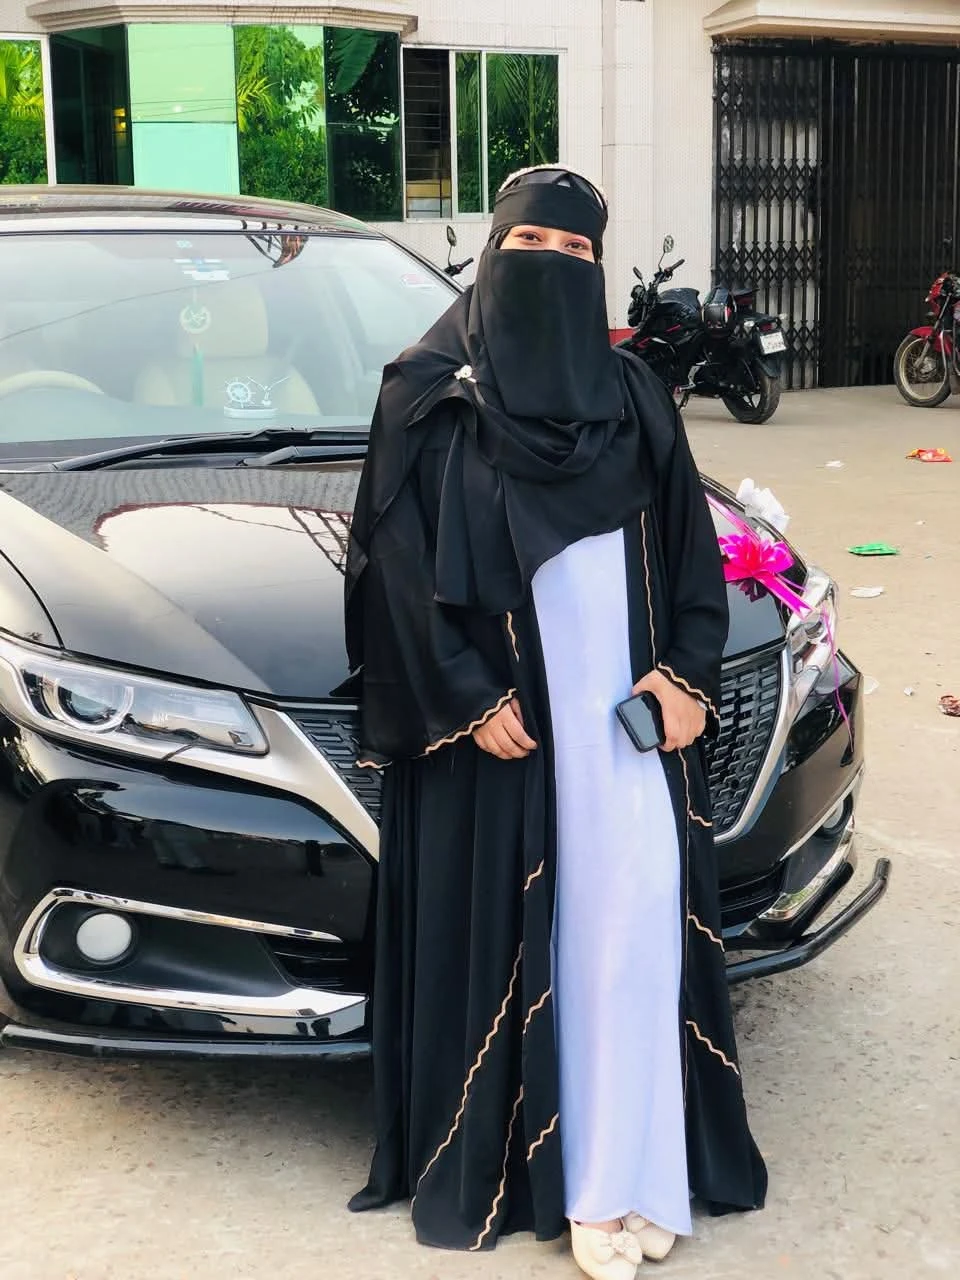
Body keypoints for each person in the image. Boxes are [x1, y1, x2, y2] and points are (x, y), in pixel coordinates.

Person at [344, 166, 767, 1278]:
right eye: (531, 241)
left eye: (577, 251)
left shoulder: (633, 396)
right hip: (509, 741)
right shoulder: (429, 394)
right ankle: (584, 1191)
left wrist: (687, 675)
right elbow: (393, 569)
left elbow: (689, 549)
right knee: (550, 941)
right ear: (492, 252)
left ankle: (643, 1172)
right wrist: (466, 696)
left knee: (631, 935)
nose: (553, 265)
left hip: (625, 730)